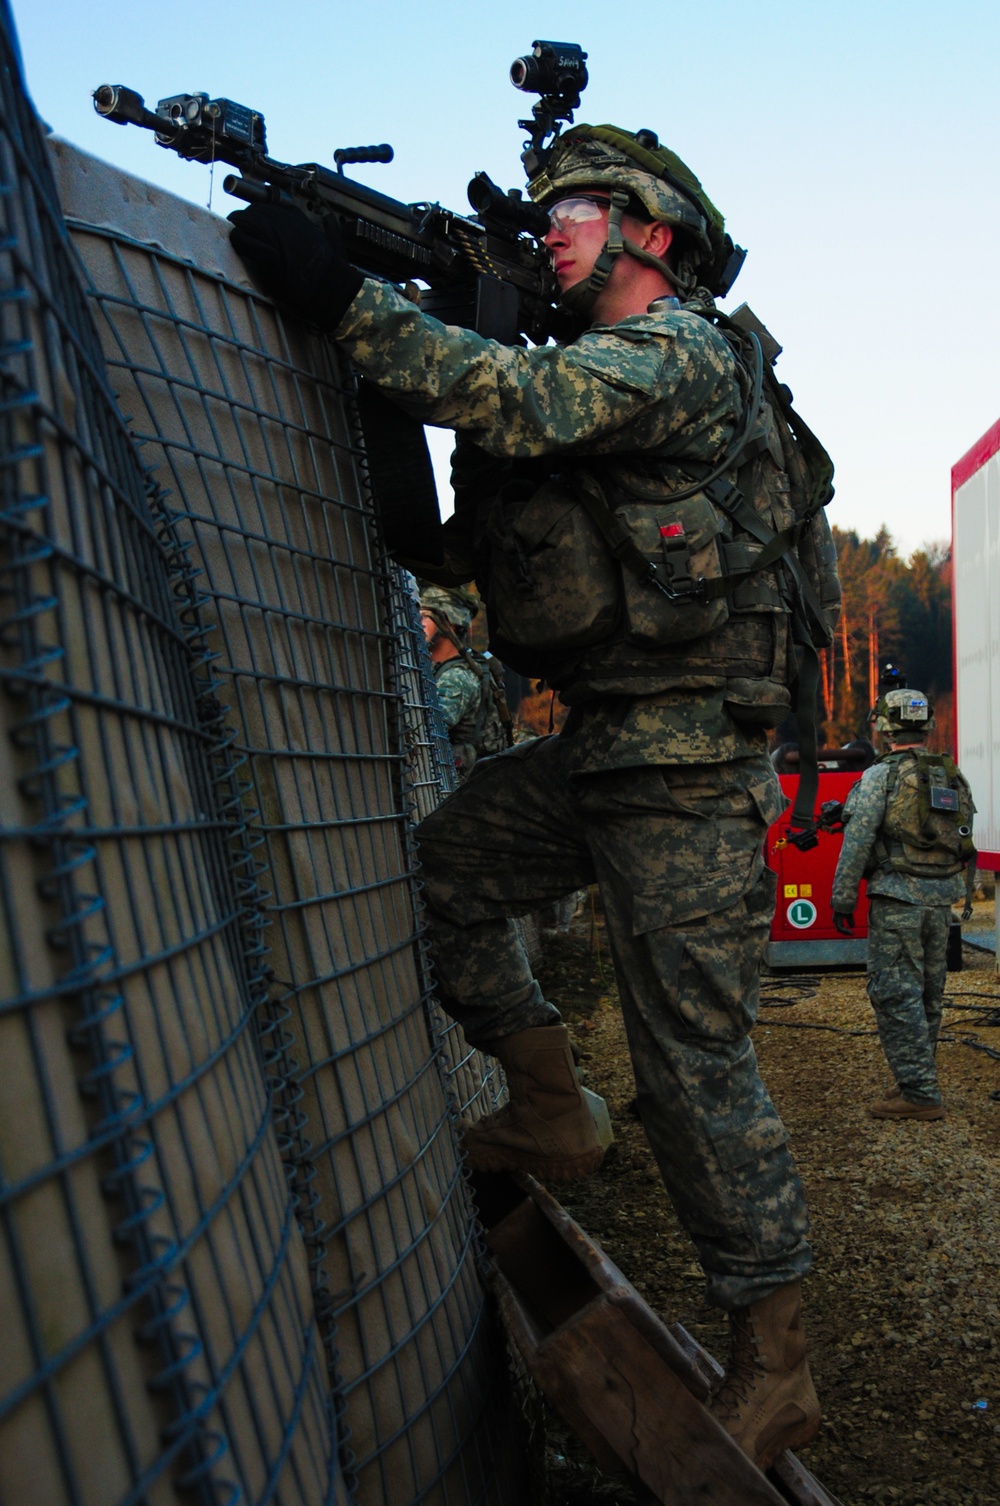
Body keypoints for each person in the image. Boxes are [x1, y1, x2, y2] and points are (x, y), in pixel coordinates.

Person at [229, 120, 830, 1468]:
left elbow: (510, 398)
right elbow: (458, 539)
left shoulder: (676, 349)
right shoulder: (584, 371)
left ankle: (776, 1360)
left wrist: (345, 295)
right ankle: (553, 1100)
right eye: (545, 208)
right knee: (443, 877)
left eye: (579, 208)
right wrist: (396, 360)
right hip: (609, 750)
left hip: (684, 765)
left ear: (651, 235)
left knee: (694, 1070)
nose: (551, 225)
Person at [831, 688, 975, 1122]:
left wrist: (842, 896)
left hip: (897, 898)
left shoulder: (881, 775)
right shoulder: (951, 773)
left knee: (896, 993)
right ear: (926, 724)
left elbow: (857, 839)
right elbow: (964, 833)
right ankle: (918, 1076)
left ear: (883, 727)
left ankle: (919, 1092)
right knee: (929, 994)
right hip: (941, 899)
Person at [419, 584, 509, 782]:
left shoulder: (457, 678)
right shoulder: (448, 669)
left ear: (449, 623)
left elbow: (422, 731)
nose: (418, 622)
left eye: (425, 615)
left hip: (460, 790)